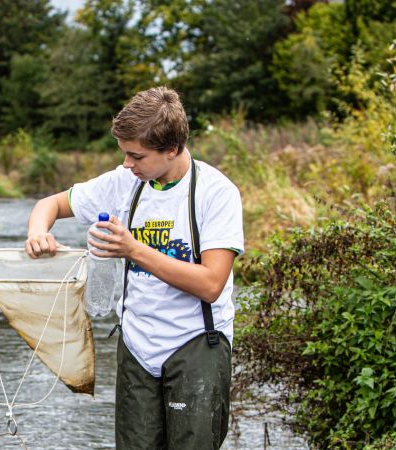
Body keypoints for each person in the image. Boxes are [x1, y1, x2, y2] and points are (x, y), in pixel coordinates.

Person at [25, 86, 243, 449]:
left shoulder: (216, 193)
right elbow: (49, 205)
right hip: (137, 346)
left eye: (136, 156)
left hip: (196, 346)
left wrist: (132, 249)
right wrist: (38, 234)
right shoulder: (124, 182)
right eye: (124, 154)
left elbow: (211, 284)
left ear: (171, 149)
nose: (127, 164)